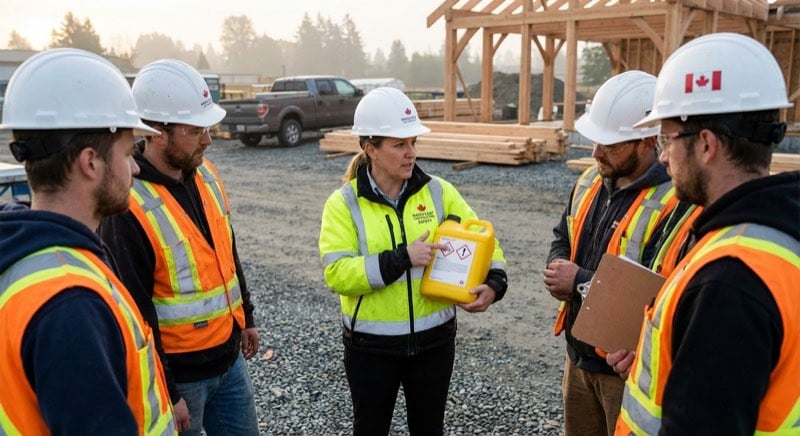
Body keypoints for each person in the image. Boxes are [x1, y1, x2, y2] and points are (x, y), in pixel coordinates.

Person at [611, 32, 799, 435]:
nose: (662, 155)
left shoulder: (730, 280)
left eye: (667, 137)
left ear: (707, 145)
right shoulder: (775, 236)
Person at [0, 48, 176, 434]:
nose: (134, 167)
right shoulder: (69, 304)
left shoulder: (26, 255)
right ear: (90, 162)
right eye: (129, 152)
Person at [318, 87, 508, 435]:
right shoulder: (343, 204)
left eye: (413, 143)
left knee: (429, 429)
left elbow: (487, 244)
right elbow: (337, 273)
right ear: (370, 148)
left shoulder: (438, 192)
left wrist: (495, 284)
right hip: (371, 350)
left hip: (434, 345)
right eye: (400, 145)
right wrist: (402, 258)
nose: (411, 154)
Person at [98, 59, 259, 436]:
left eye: (208, 128)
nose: (207, 140)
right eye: (194, 130)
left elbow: (226, 251)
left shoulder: (206, 174)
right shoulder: (128, 206)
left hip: (229, 359)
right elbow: (137, 313)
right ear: (156, 132)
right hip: (182, 380)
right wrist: (168, 393)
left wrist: (246, 317)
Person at [543, 70, 677, 436]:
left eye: (611, 145)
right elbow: (563, 233)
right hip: (578, 357)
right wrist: (558, 265)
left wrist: (579, 282)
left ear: (648, 141)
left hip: (626, 370)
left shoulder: (673, 203)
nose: (596, 152)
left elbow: (663, 290)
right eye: (596, 140)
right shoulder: (589, 180)